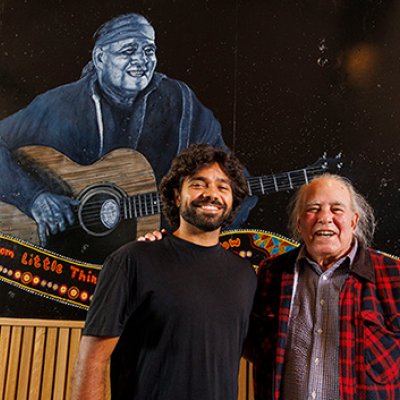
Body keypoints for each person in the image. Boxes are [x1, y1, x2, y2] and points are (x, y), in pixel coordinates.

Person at [0, 13, 255, 247]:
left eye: (148, 50)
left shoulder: (180, 101)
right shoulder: (59, 105)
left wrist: (198, 235)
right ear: (100, 58)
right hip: (68, 256)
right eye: (129, 51)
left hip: (155, 254)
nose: (141, 61)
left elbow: (226, 168)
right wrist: (34, 198)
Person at [71, 144, 257, 400]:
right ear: (177, 196)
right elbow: (92, 361)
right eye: (198, 184)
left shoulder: (245, 275)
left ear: (232, 200)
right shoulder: (131, 260)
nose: (211, 194)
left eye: (222, 187)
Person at [246, 173, 400, 400]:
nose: (324, 218)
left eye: (337, 209)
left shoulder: (393, 276)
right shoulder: (272, 274)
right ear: (299, 223)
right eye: (313, 208)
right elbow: (253, 347)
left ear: (353, 221)